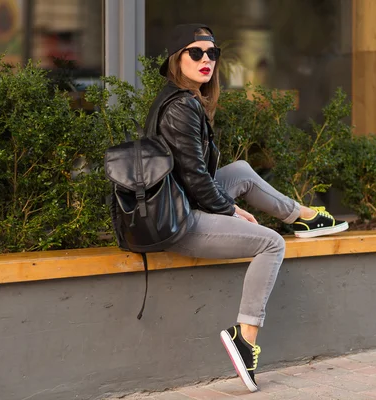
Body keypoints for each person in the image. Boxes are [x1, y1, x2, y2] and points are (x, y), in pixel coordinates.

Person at [150, 23, 349, 392]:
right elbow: (195, 178)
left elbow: (194, 174)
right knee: (271, 243)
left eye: (212, 53)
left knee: (240, 171)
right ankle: (245, 340)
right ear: (177, 59)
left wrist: (225, 203)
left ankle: (303, 217)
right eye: (196, 53)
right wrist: (229, 210)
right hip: (179, 221)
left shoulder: (184, 99)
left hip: (183, 201)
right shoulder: (182, 108)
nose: (206, 59)